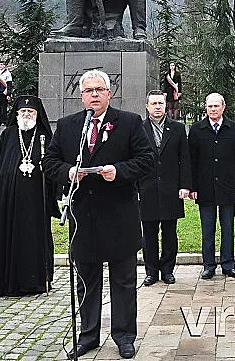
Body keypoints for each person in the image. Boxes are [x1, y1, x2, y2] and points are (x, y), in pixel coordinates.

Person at [42, 70, 154, 360]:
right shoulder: (68, 126)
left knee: (123, 281)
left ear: (109, 93)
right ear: (81, 96)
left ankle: (124, 336)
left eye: (99, 89)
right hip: (84, 217)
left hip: (120, 215)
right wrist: (69, 172)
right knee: (87, 281)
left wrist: (119, 171)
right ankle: (88, 335)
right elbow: (49, 162)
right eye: (88, 90)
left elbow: (147, 159)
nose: (94, 94)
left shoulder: (129, 122)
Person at [0, 95, 59, 296]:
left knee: (34, 240)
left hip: (35, 202)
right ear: (16, 114)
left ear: (37, 114)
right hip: (7, 201)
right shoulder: (8, 135)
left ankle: (36, 283)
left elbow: (54, 167)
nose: (26, 114)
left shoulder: (44, 137)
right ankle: (5, 284)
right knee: (7, 238)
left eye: (30, 111)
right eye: (23, 111)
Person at [188, 93, 235, 279]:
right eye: (210, 106)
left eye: (216, 106)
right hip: (204, 188)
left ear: (223, 107)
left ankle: (228, 264)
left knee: (227, 228)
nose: (213, 109)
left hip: (228, 186)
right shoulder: (197, 130)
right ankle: (208, 265)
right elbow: (191, 161)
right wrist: (192, 187)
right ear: (206, 108)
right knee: (207, 230)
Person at [137, 90, 191, 286]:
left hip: (171, 188)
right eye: (154, 103)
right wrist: (135, 189)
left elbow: (185, 159)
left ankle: (167, 270)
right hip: (146, 189)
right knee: (149, 234)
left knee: (170, 233)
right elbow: (134, 159)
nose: (158, 107)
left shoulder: (177, 128)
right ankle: (151, 272)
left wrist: (185, 185)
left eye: (161, 103)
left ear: (166, 105)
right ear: (147, 106)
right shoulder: (139, 129)